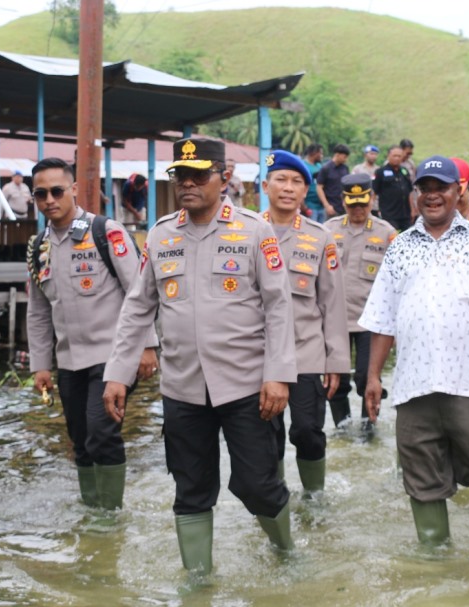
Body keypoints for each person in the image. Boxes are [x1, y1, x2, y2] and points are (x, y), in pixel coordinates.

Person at [101, 138, 297, 574]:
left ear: (223, 178)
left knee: (258, 486)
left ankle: (286, 554)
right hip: (183, 387)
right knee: (190, 488)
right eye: (180, 175)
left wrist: (278, 374)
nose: (187, 183)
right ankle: (198, 582)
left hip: (247, 384)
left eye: (198, 174)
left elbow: (279, 306)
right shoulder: (160, 233)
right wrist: (118, 373)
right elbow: (137, 306)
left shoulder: (253, 230)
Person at [360, 155, 469, 546]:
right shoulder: (399, 247)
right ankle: (437, 569)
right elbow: (383, 318)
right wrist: (372, 377)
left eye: (442, 188)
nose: (433, 196)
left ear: (459, 192)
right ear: (416, 194)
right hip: (414, 383)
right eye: (426, 189)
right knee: (421, 479)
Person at [26, 157, 157, 510]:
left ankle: (111, 514)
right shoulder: (38, 248)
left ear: (73, 189)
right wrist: (40, 365)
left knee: (101, 432)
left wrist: (148, 346)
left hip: (114, 355)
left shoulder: (106, 231)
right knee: (79, 439)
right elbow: (38, 311)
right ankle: (91, 508)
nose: (50, 200)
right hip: (70, 361)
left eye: (56, 191)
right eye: (41, 194)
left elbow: (138, 291)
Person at [260, 150, 351, 494]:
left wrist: (336, 361)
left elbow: (332, 303)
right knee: (266, 435)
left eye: (297, 182)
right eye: (281, 180)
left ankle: (315, 495)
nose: (288, 188)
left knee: (308, 432)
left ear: (305, 191)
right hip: (258, 356)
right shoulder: (245, 232)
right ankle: (275, 495)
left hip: (307, 353)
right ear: (265, 185)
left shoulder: (319, 237)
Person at [324, 173, 398, 431]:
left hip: (371, 320)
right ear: (343, 201)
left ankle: (370, 426)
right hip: (336, 320)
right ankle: (341, 428)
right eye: (352, 204)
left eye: (362, 204)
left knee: (367, 377)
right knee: (336, 380)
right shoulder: (328, 231)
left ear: (371, 200)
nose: (358, 209)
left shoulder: (386, 233)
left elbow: (396, 282)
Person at [372, 145, 414, 231]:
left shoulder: (404, 171)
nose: (397, 158)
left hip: (405, 213)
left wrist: (413, 210)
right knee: (391, 238)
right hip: (389, 214)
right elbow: (374, 192)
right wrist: (371, 210)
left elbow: (409, 192)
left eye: (399, 156)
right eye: (394, 156)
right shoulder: (380, 172)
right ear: (388, 156)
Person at [315, 144, 351, 221]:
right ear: (337, 155)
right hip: (331, 207)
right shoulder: (326, 168)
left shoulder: (345, 168)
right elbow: (319, 187)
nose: (346, 159)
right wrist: (327, 205)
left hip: (343, 207)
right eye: (344, 157)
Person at [302, 144, 325, 219]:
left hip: (321, 206)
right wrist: (304, 206)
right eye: (320, 153)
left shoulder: (319, 166)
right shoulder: (304, 166)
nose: (322, 156)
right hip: (310, 206)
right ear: (314, 153)